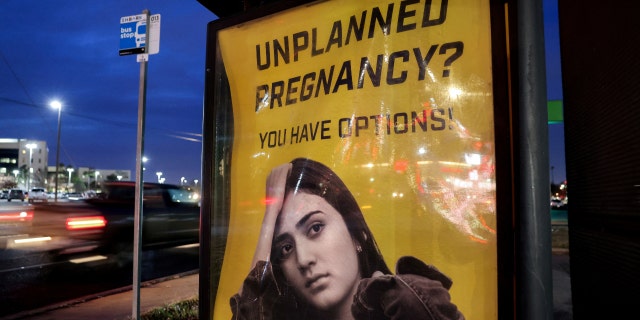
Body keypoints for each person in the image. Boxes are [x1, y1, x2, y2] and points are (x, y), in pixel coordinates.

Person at [230, 158, 464, 320]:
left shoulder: (410, 302)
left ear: (358, 237)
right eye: (286, 248)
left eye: (315, 228)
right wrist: (269, 216)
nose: (303, 260)